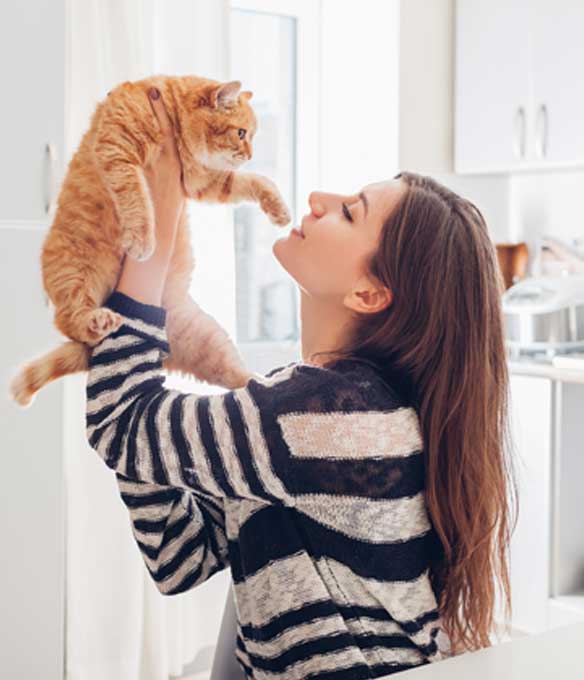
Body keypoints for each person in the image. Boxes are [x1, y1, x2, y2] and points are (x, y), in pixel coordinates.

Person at [85, 86, 518, 679]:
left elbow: (120, 422)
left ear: (369, 294)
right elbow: (177, 556)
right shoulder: (324, 413)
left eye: (349, 212)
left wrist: (147, 251)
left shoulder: (328, 418)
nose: (317, 199)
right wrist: (149, 316)